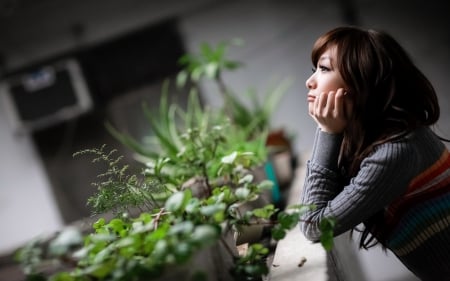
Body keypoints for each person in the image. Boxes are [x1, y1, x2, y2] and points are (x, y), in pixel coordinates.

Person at [299, 25, 450, 281]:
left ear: (360, 83)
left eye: (324, 69)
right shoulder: (391, 137)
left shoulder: (395, 152)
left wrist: (326, 131)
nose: (310, 81)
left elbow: (313, 224)